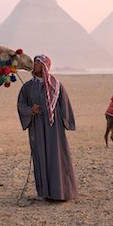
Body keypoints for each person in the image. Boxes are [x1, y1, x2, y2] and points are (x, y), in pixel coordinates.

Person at [17, 54, 77, 201]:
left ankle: (62, 193)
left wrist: (67, 122)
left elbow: (65, 104)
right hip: (37, 126)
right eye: (35, 61)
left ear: (44, 66)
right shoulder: (27, 87)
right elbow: (21, 105)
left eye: (38, 62)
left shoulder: (57, 85)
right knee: (41, 156)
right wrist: (31, 110)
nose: (34, 64)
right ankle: (46, 194)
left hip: (54, 129)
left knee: (56, 157)